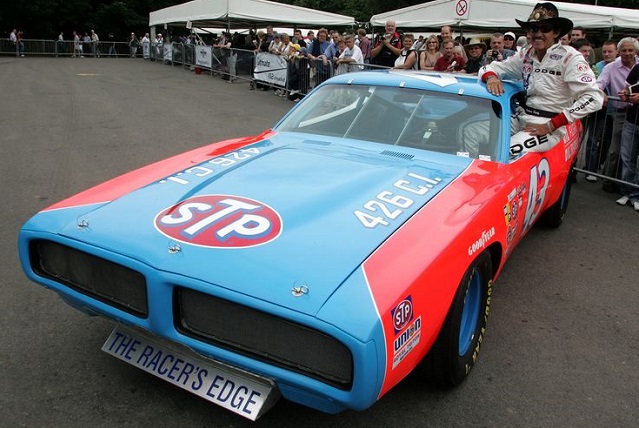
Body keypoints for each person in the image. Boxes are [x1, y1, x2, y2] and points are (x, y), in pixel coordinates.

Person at [479, 2, 603, 155]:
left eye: (545, 29)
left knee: (503, 152)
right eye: (533, 28)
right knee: (473, 134)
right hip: (521, 117)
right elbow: (490, 67)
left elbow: (594, 98)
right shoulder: (526, 54)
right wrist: (491, 78)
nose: (538, 33)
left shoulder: (570, 57)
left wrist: (551, 125)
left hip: (548, 126)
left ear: (556, 32)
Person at [598, 37, 639, 193]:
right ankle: (609, 181)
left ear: (635, 51)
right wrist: (601, 92)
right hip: (621, 112)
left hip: (636, 112)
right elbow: (599, 83)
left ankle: (629, 188)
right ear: (619, 51)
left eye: (630, 50)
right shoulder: (611, 67)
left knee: (631, 154)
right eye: (624, 50)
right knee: (616, 150)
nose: (627, 53)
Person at [616, 63, 639, 211]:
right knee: (627, 158)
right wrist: (625, 94)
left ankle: (636, 195)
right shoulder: (637, 68)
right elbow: (627, 88)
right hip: (631, 121)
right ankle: (627, 192)